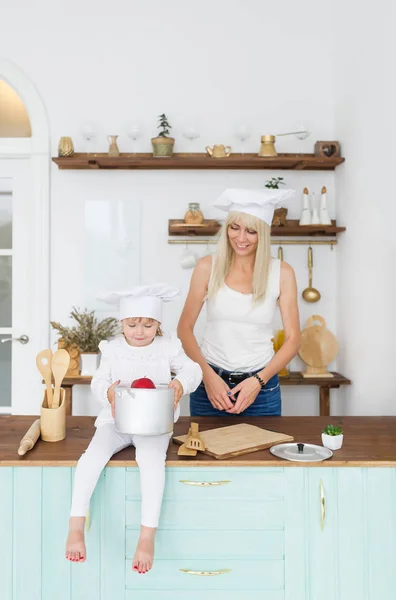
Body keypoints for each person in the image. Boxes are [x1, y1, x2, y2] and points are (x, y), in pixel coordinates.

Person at [65, 284, 202, 573]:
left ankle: (146, 535)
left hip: (154, 423)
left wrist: (180, 383)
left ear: (158, 324)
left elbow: (193, 370)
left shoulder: (168, 347)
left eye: (147, 324)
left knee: (151, 462)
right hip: (116, 420)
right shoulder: (112, 349)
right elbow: (98, 382)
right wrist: (109, 393)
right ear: (121, 324)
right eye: (132, 324)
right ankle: (76, 525)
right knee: (90, 459)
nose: (139, 331)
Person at [177, 188, 301, 417]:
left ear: (263, 235)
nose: (241, 238)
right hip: (210, 385)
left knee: (261, 453)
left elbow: (294, 339)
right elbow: (184, 329)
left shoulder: (282, 273)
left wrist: (257, 382)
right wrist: (207, 376)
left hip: (261, 388)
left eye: (251, 231)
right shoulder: (207, 267)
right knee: (205, 450)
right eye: (235, 228)